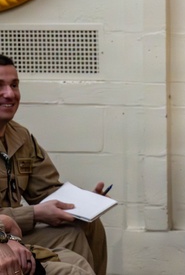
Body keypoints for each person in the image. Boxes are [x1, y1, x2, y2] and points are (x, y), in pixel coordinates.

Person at [0, 57, 106, 275]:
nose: (10, 94)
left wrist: (83, 203)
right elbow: (34, 211)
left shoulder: (20, 136)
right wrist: (34, 214)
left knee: (86, 225)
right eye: (0, 86)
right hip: (5, 232)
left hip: (15, 232)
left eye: (14, 85)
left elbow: (46, 191)